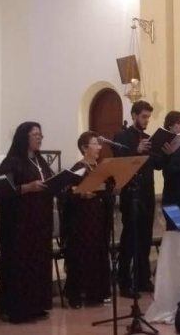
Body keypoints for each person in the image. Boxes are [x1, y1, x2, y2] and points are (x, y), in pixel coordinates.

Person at [0, 122, 55, 322]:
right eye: (35, 134)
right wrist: (26, 188)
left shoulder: (40, 161)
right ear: (24, 137)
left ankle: (36, 305)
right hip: (18, 224)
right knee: (20, 263)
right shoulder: (11, 162)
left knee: (38, 262)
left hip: (39, 221)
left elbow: (50, 181)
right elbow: (3, 190)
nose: (40, 138)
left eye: (41, 134)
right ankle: (16, 309)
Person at [113, 100, 161, 297]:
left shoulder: (149, 138)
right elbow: (121, 162)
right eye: (143, 116)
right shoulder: (121, 136)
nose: (146, 120)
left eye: (149, 117)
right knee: (129, 239)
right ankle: (125, 282)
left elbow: (156, 165)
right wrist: (136, 150)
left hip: (147, 193)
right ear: (133, 115)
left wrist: (162, 151)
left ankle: (142, 279)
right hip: (131, 194)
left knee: (144, 238)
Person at [61, 132, 111, 308]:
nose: (99, 147)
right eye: (95, 144)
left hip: (98, 216)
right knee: (81, 254)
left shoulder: (100, 168)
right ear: (84, 148)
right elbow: (67, 195)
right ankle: (75, 294)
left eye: (99, 144)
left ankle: (95, 292)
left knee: (98, 253)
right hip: (81, 220)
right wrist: (81, 195)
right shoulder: (78, 168)